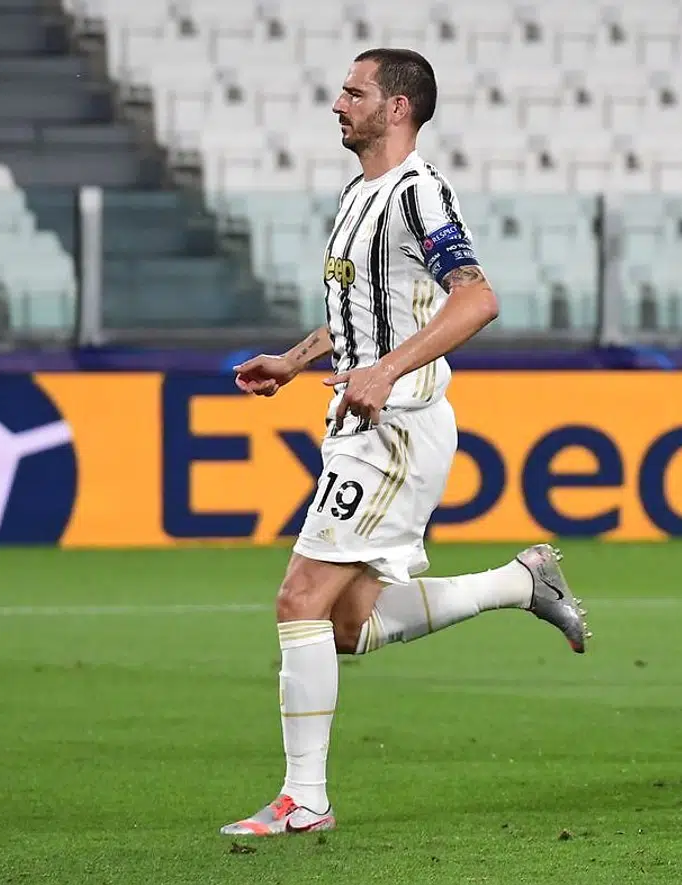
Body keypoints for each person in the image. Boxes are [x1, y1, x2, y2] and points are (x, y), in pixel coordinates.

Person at [221, 48, 590, 837]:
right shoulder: (360, 192)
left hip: (395, 427)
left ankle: (304, 799)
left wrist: (386, 371)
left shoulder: (418, 193)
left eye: (353, 92)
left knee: (299, 598)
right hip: (362, 419)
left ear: (397, 108)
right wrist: (295, 360)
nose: (337, 104)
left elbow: (476, 298)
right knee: (346, 623)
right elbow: (370, 313)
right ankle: (520, 582)